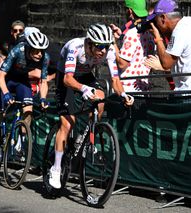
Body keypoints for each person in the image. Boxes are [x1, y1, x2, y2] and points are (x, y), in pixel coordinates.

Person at [49, 23, 134, 189]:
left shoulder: (108, 52)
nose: (103, 50)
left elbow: (115, 80)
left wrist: (123, 95)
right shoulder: (76, 47)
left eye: (106, 46)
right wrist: (83, 88)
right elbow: (68, 79)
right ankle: (56, 168)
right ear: (89, 43)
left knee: (101, 98)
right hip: (66, 77)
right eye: (99, 46)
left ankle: (87, 136)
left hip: (86, 75)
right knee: (67, 123)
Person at [0, 31, 50, 163]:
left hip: (22, 81)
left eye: (42, 51)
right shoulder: (18, 50)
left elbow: (44, 81)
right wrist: (6, 94)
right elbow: (1, 76)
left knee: (28, 111)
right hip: (7, 79)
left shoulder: (44, 57)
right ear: (29, 47)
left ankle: (20, 142)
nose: (40, 54)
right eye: (37, 51)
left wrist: (43, 98)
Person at [147, 0, 191, 92]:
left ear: (163, 18)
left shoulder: (179, 30)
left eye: (155, 21)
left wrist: (157, 37)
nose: (156, 25)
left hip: (190, 93)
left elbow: (166, 64)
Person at [110, 0, 155, 92]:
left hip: (127, 88)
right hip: (143, 87)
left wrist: (113, 42)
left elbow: (122, 64)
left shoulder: (132, 33)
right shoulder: (151, 32)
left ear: (130, 11)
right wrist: (122, 36)